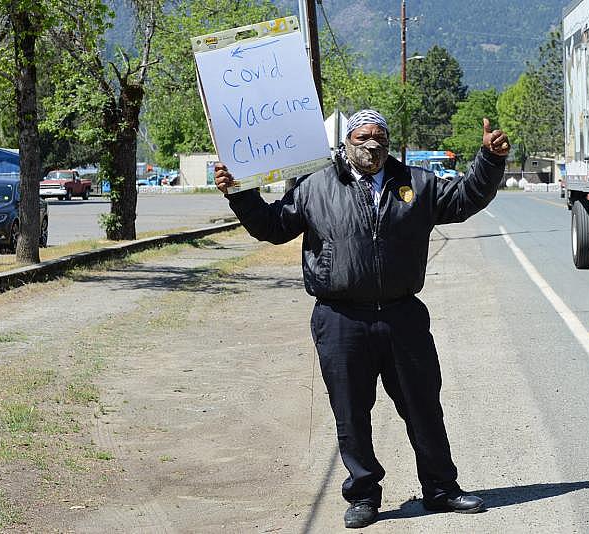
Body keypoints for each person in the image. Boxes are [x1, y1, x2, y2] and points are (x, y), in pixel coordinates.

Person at [215, 109, 509, 529]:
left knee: (423, 405)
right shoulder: (314, 186)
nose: (372, 144)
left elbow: (464, 199)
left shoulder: (417, 184)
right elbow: (274, 227)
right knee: (352, 412)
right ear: (346, 140)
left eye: (380, 137)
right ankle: (364, 494)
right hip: (340, 318)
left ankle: (441, 489)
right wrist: (239, 194)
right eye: (363, 136)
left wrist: (489, 160)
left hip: (402, 316)